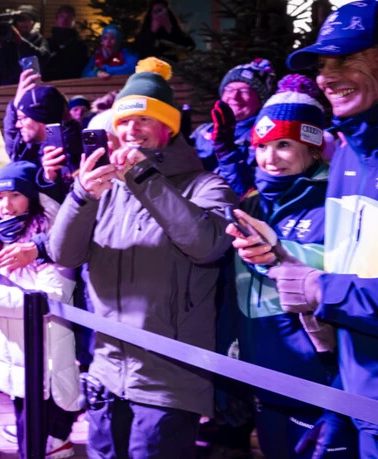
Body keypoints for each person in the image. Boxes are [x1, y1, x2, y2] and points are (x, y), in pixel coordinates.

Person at [231, 1, 378, 457]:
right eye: (322, 64)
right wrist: (339, 406)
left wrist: (321, 288)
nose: (326, 76)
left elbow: (340, 292)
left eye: (346, 59)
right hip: (363, 408)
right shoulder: (350, 157)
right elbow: (359, 289)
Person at [48, 58, 238, 458]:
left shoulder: (207, 185)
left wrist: (144, 178)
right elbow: (63, 252)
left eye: (146, 120)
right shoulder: (106, 190)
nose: (132, 129)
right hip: (105, 373)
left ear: (169, 128)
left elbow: (206, 246)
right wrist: (81, 194)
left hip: (169, 382)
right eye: (125, 121)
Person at [223, 74, 357, 458]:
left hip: (317, 378)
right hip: (264, 374)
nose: (270, 158)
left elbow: (342, 278)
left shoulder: (334, 199)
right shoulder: (251, 203)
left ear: (314, 146)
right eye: (263, 145)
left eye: (284, 144)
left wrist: (280, 252)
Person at [0, 161, 80, 459]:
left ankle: (59, 442)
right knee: (27, 438)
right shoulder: (0, 236)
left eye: (15, 195)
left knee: (45, 436)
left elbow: (50, 297)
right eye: (0, 197)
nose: (6, 205)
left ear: (31, 196)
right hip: (16, 352)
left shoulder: (52, 236)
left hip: (48, 355)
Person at [191, 59, 276, 195]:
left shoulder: (265, 135)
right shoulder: (203, 131)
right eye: (229, 89)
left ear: (260, 100)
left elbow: (248, 192)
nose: (234, 96)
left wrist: (227, 152)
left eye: (244, 91)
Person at [3, 69, 82, 205]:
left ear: (41, 119)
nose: (17, 125)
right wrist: (15, 106)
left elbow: (64, 201)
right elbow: (13, 150)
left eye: (22, 118)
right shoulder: (30, 147)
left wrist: (49, 179)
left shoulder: (63, 153)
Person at [0, 5, 49, 86]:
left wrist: (21, 41)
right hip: (10, 87)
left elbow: (43, 57)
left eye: (28, 20)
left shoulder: (39, 39)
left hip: (32, 86)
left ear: (33, 22)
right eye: (21, 20)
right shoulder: (7, 41)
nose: (24, 23)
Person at [42, 5, 89, 82]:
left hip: (72, 85)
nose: (65, 20)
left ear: (73, 20)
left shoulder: (80, 46)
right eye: (62, 16)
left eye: (69, 17)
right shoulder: (46, 43)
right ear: (56, 19)